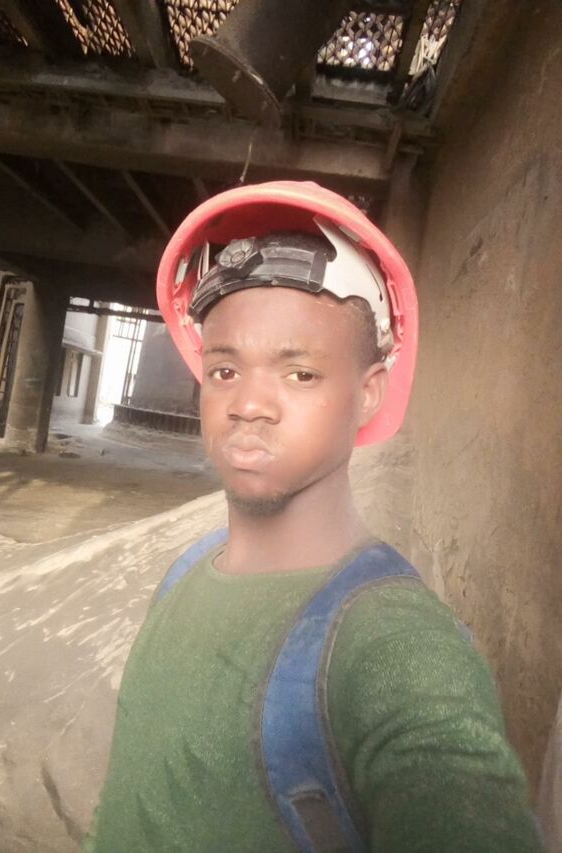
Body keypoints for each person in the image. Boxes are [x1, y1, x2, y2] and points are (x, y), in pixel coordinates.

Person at [84, 182, 542, 852]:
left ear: (369, 393)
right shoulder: (183, 574)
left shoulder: (397, 650)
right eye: (225, 371)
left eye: (299, 374)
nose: (249, 404)